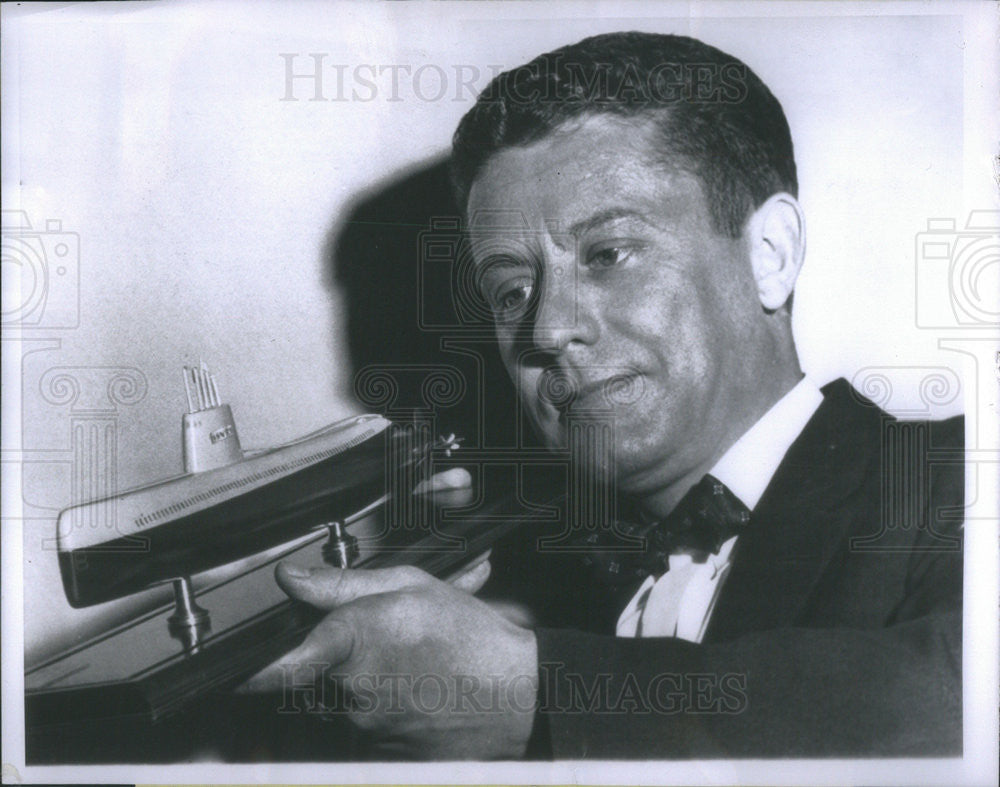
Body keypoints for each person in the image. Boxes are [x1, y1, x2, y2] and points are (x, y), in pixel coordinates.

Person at [244, 31, 963, 759]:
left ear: (768, 255)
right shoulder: (538, 574)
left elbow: (961, 702)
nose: (547, 329)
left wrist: (540, 694)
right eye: (512, 290)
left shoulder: (959, 479)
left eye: (608, 254)